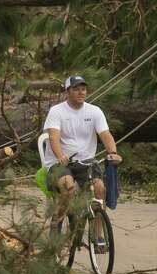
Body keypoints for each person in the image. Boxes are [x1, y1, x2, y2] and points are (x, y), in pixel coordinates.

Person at [42, 75, 122, 239]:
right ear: (68, 92)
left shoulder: (94, 111)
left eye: (83, 89)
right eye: (76, 89)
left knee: (100, 188)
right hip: (61, 164)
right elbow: (53, 138)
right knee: (68, 188)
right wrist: (60, 156)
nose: (81, 92)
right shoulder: (57, 111)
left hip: (86, 164)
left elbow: (105, 135)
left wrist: (112, 153)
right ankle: (55, 231)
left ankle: (97, 234)